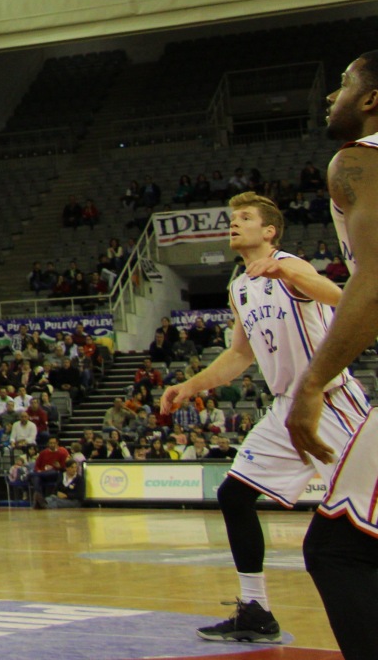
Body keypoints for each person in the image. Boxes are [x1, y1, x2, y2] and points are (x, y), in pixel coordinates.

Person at [160, 189, 368, 643]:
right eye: (233, 218)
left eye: (245, 217)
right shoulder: (239, 287)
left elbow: (338, 296)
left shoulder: (290, 265)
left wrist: (287, 271)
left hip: (331, 401)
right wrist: (189, 386)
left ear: (269, 230)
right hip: (284, 409)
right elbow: (238, 356)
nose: (234, 223)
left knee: (365, 517)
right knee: (234, 496)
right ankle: (256, 611)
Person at [288, 52, 378, 659]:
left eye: (343, 84)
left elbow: (375, 282)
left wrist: (314, 380)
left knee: (338, 548)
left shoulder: (360, 160)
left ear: (371, 99)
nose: (331, 97)